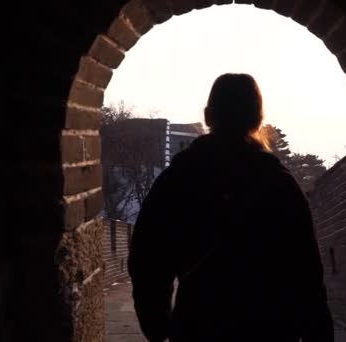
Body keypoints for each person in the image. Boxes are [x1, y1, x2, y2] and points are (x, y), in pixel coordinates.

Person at [128, 73, 334, 342]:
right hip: (269, 327)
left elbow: (148, 258)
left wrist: (157, 326)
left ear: (209, 116)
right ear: (258, 120)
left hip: (198, 323)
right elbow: (306, 273)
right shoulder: (279, 183)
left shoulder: (179, 178)